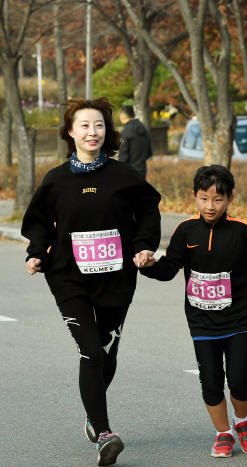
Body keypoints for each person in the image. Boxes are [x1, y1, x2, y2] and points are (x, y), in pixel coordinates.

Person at [22, 97, 161, 466]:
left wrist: (145, 246)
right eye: (84, 125)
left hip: (116, 277)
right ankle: (104, 432)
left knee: (106, 354)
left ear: (108, 131)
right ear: (70, 132)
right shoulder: (56, 180)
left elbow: (149, 209)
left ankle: (91, 415)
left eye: (99, 125)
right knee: (90, 351)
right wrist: (36, 252)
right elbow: (37, 221)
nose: (92, 132)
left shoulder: (123, 175)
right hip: (69, 277)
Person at [137, 165, 247, 458]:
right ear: (195, 196)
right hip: (202, 320)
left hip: (239, 318)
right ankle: (223, 432)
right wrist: (150, 264)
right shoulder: (186, 230)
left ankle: (242, 422)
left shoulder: (242, 231)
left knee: (240, 378)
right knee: (211, 379)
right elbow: (168, 270)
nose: (210, 206)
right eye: (204, 199)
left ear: (229, 198)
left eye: (217, 199)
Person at [118, 105, 153, 178]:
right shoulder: (145, 131)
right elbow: (149, 153)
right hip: (142, 172)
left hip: (129, 174)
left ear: (122, 117)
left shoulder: (125, 133)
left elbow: (123, 157)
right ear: (134, 115)